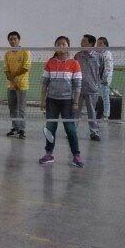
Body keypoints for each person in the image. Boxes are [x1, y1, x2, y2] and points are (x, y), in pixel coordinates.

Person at [39, 36, 84, 168]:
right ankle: (48, 154)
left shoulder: (74, 63)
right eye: (58, 44)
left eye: (64, 44)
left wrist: (75, 102)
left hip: (67, 101)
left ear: (68, 46)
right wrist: (42, 100)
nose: (61, 46)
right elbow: (44, 84)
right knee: (50, 128)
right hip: (51, 101)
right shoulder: (50, 62)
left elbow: (78, 85)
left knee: (70, 129)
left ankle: (76, 156)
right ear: (55, 46)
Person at [74, 34, 105, 142]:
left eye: (84, 41)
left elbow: (101, 71)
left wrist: (96, 83)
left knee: (92, 112)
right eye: (81, 41)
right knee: (76, 111)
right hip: (79, 89)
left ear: (91, 43)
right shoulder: (77, 56)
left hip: (92, 89)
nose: (81, 43)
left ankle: (94, 132)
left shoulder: (99, 57)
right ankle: (72, 131)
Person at [3, 31, 31, 138]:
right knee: (12, 108)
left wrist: (13, 76)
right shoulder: (7, 54)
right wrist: (12, 80)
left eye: (15, 39)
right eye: (11, 39)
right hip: (11, 86)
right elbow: (6, 69)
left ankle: (22, 130)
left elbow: (25, 68)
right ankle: (15, 127)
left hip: (22, 85)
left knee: (21, 108)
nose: (13, 41)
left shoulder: (25, 52)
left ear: (19, 40)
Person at [98, 36, 115, 119]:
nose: (98, 45)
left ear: (105, 45)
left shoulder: (107, 54)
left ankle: (106, 115)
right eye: (98, 43)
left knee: (105, 97)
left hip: (104, 80)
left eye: (100, 43)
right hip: (97, 79)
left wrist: (105, 79)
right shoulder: (97, 53)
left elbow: (108, 68)